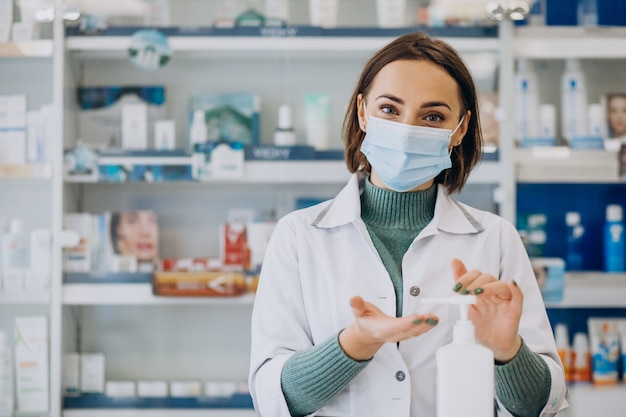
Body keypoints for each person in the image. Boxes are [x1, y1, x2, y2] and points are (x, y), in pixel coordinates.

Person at [249, 32, 567, 417]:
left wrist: (507, 352)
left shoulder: (496, 238)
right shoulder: (299, 235)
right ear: (363, 112)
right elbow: (272, 397)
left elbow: (542, 407)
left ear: (460, 129)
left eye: (432, 116)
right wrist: (355, 343)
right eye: (389, 109)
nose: (407, 129)